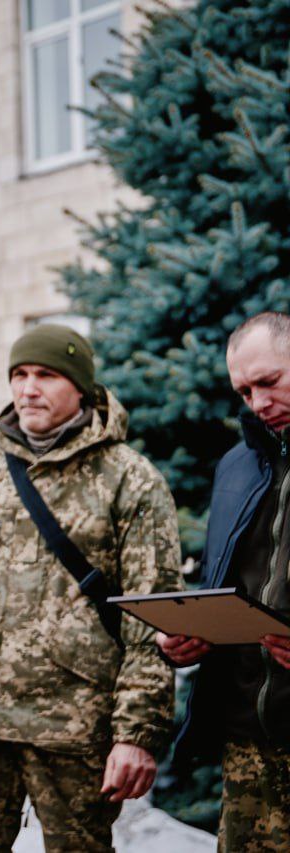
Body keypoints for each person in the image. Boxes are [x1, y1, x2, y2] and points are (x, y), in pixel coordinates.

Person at [0, 323, 181, 852]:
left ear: (81, 387)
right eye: (19, 375)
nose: (28, 388)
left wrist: (136, 734)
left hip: (75, 723)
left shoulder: (129, 478)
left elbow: (151, 615)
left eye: (47, 375)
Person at [157, 312, 290, 851]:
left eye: (270, 382)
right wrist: (187, 640)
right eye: (243, 390)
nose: (257, 403)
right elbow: (224, 584)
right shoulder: (235, 466)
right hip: (248, 746)